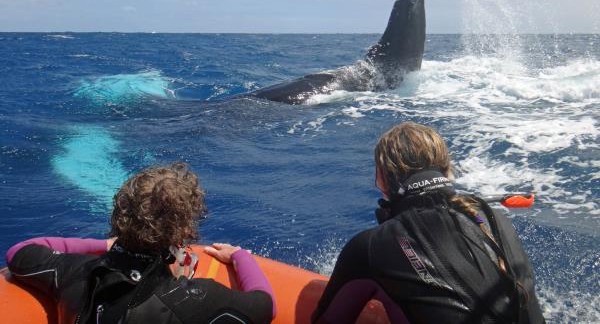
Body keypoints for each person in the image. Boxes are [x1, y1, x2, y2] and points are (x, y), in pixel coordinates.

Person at [312, 122, 545, 324]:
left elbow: (327, 320)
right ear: (446, 169)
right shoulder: (495, 219)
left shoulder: (369, 246)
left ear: (382, 178)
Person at [6, 162, 275, 324]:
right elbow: (266, 305)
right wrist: (240, 256)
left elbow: (19, 252)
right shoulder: (196, 301)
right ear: (182, 232)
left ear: (120, 211)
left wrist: (105, 246)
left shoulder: (74, 272)